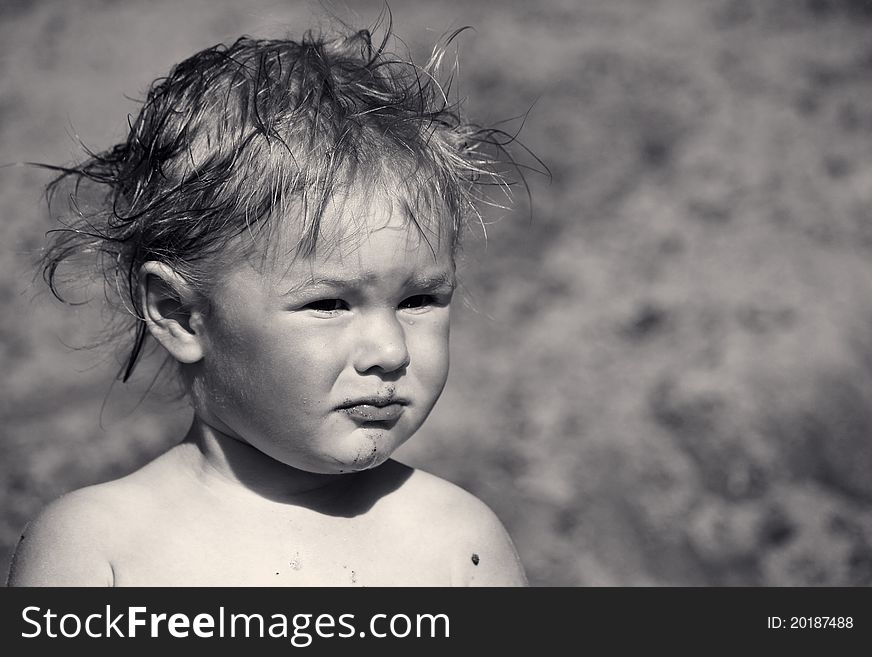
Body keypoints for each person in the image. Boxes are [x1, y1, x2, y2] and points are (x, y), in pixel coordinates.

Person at [5, 21, 528, 587]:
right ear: (180, 315)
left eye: (419, 299)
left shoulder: (458, 545)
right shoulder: (96, 549)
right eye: (328, 304)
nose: (390, 350)